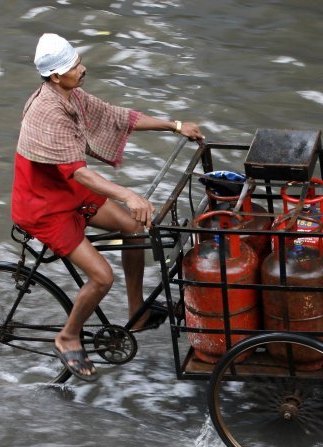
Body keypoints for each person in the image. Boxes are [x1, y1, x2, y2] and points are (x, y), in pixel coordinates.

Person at [11, 33, 204, 380]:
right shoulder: (47, 113)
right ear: (55, 76)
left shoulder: (72, 95)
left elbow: (117, 117)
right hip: (44, 207)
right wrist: (129, 194)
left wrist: (174, 126)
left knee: (133, 226)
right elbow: (80, 174)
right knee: (102, 277)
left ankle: (137, 311)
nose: (82, 69)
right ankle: (68, 337)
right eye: (74, 66)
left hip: (67, 192)